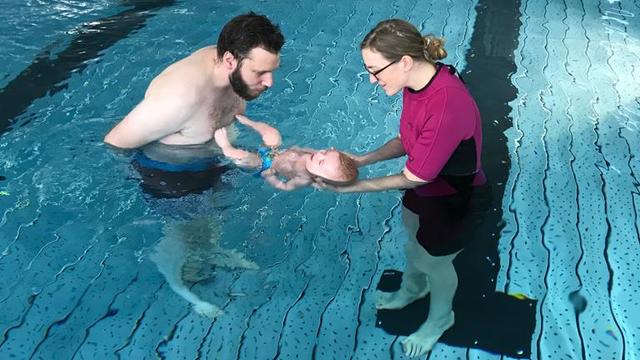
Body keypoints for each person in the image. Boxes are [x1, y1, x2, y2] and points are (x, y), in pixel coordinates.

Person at [319, 19, 490, 357]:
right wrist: (363, 159)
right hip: (427, 189)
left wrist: (351, 188)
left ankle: (441, 317)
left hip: (455, 198)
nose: (371, 79)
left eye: (375, 70)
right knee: (414, 245)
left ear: (405, 62)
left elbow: (416, 176)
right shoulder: (418, 83)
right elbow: (407, 139)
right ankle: (412, 289)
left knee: (435, 263)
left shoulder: (445, 103)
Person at [103, 12, 285, 198]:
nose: (270, 82)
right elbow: (115, 142)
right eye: (260, 72)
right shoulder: (178, 99)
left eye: (271, 71)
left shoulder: (235, 68)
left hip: (213, 157)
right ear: (230, 61)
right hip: (172, 177)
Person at [215, 115, 358, 191]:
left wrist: (270, 178)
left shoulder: (304, 178)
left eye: (321, 161)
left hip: (267, 165)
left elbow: (285, 187)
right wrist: (298, 149)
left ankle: (227, 148)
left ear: (319, 178)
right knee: (273, 134)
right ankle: (249, 122)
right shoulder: (313, 156)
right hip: (274, 152)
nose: (320, 154)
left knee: (249, 159)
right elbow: (306, 150)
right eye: (325, 152)